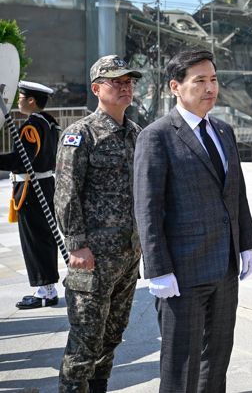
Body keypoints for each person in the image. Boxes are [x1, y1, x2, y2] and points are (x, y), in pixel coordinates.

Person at [133, 49, 252, 392]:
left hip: (224, 269)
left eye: (213, 80)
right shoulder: (157, 136)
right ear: (176, 86)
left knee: (217, 359)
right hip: (182, 273)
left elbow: (236, 194)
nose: (210, 88)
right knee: (181, 364)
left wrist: (245, 244)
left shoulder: (223, 131)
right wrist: (158, 268)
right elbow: (147, 208)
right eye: (199, 81)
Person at [55, 55, 142, 393]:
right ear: (96, 89)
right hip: (92, 259)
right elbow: (65, 192)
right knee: (85, 343)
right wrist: (76, 244)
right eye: (116, 82)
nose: (125, 86)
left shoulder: (135, 134)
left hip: (127, 257)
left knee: (112, 337)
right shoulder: (80, 135)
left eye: (129, 81)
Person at [0, 81, 60, 309]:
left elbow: (21, 160)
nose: (18, 101)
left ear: (31, 100)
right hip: (44, 185)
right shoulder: (48, 123)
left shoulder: (32, 126)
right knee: (44, 239)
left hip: (32, 190)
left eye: (21, 97)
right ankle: (47, 287)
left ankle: (45, 291)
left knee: (35, 241)